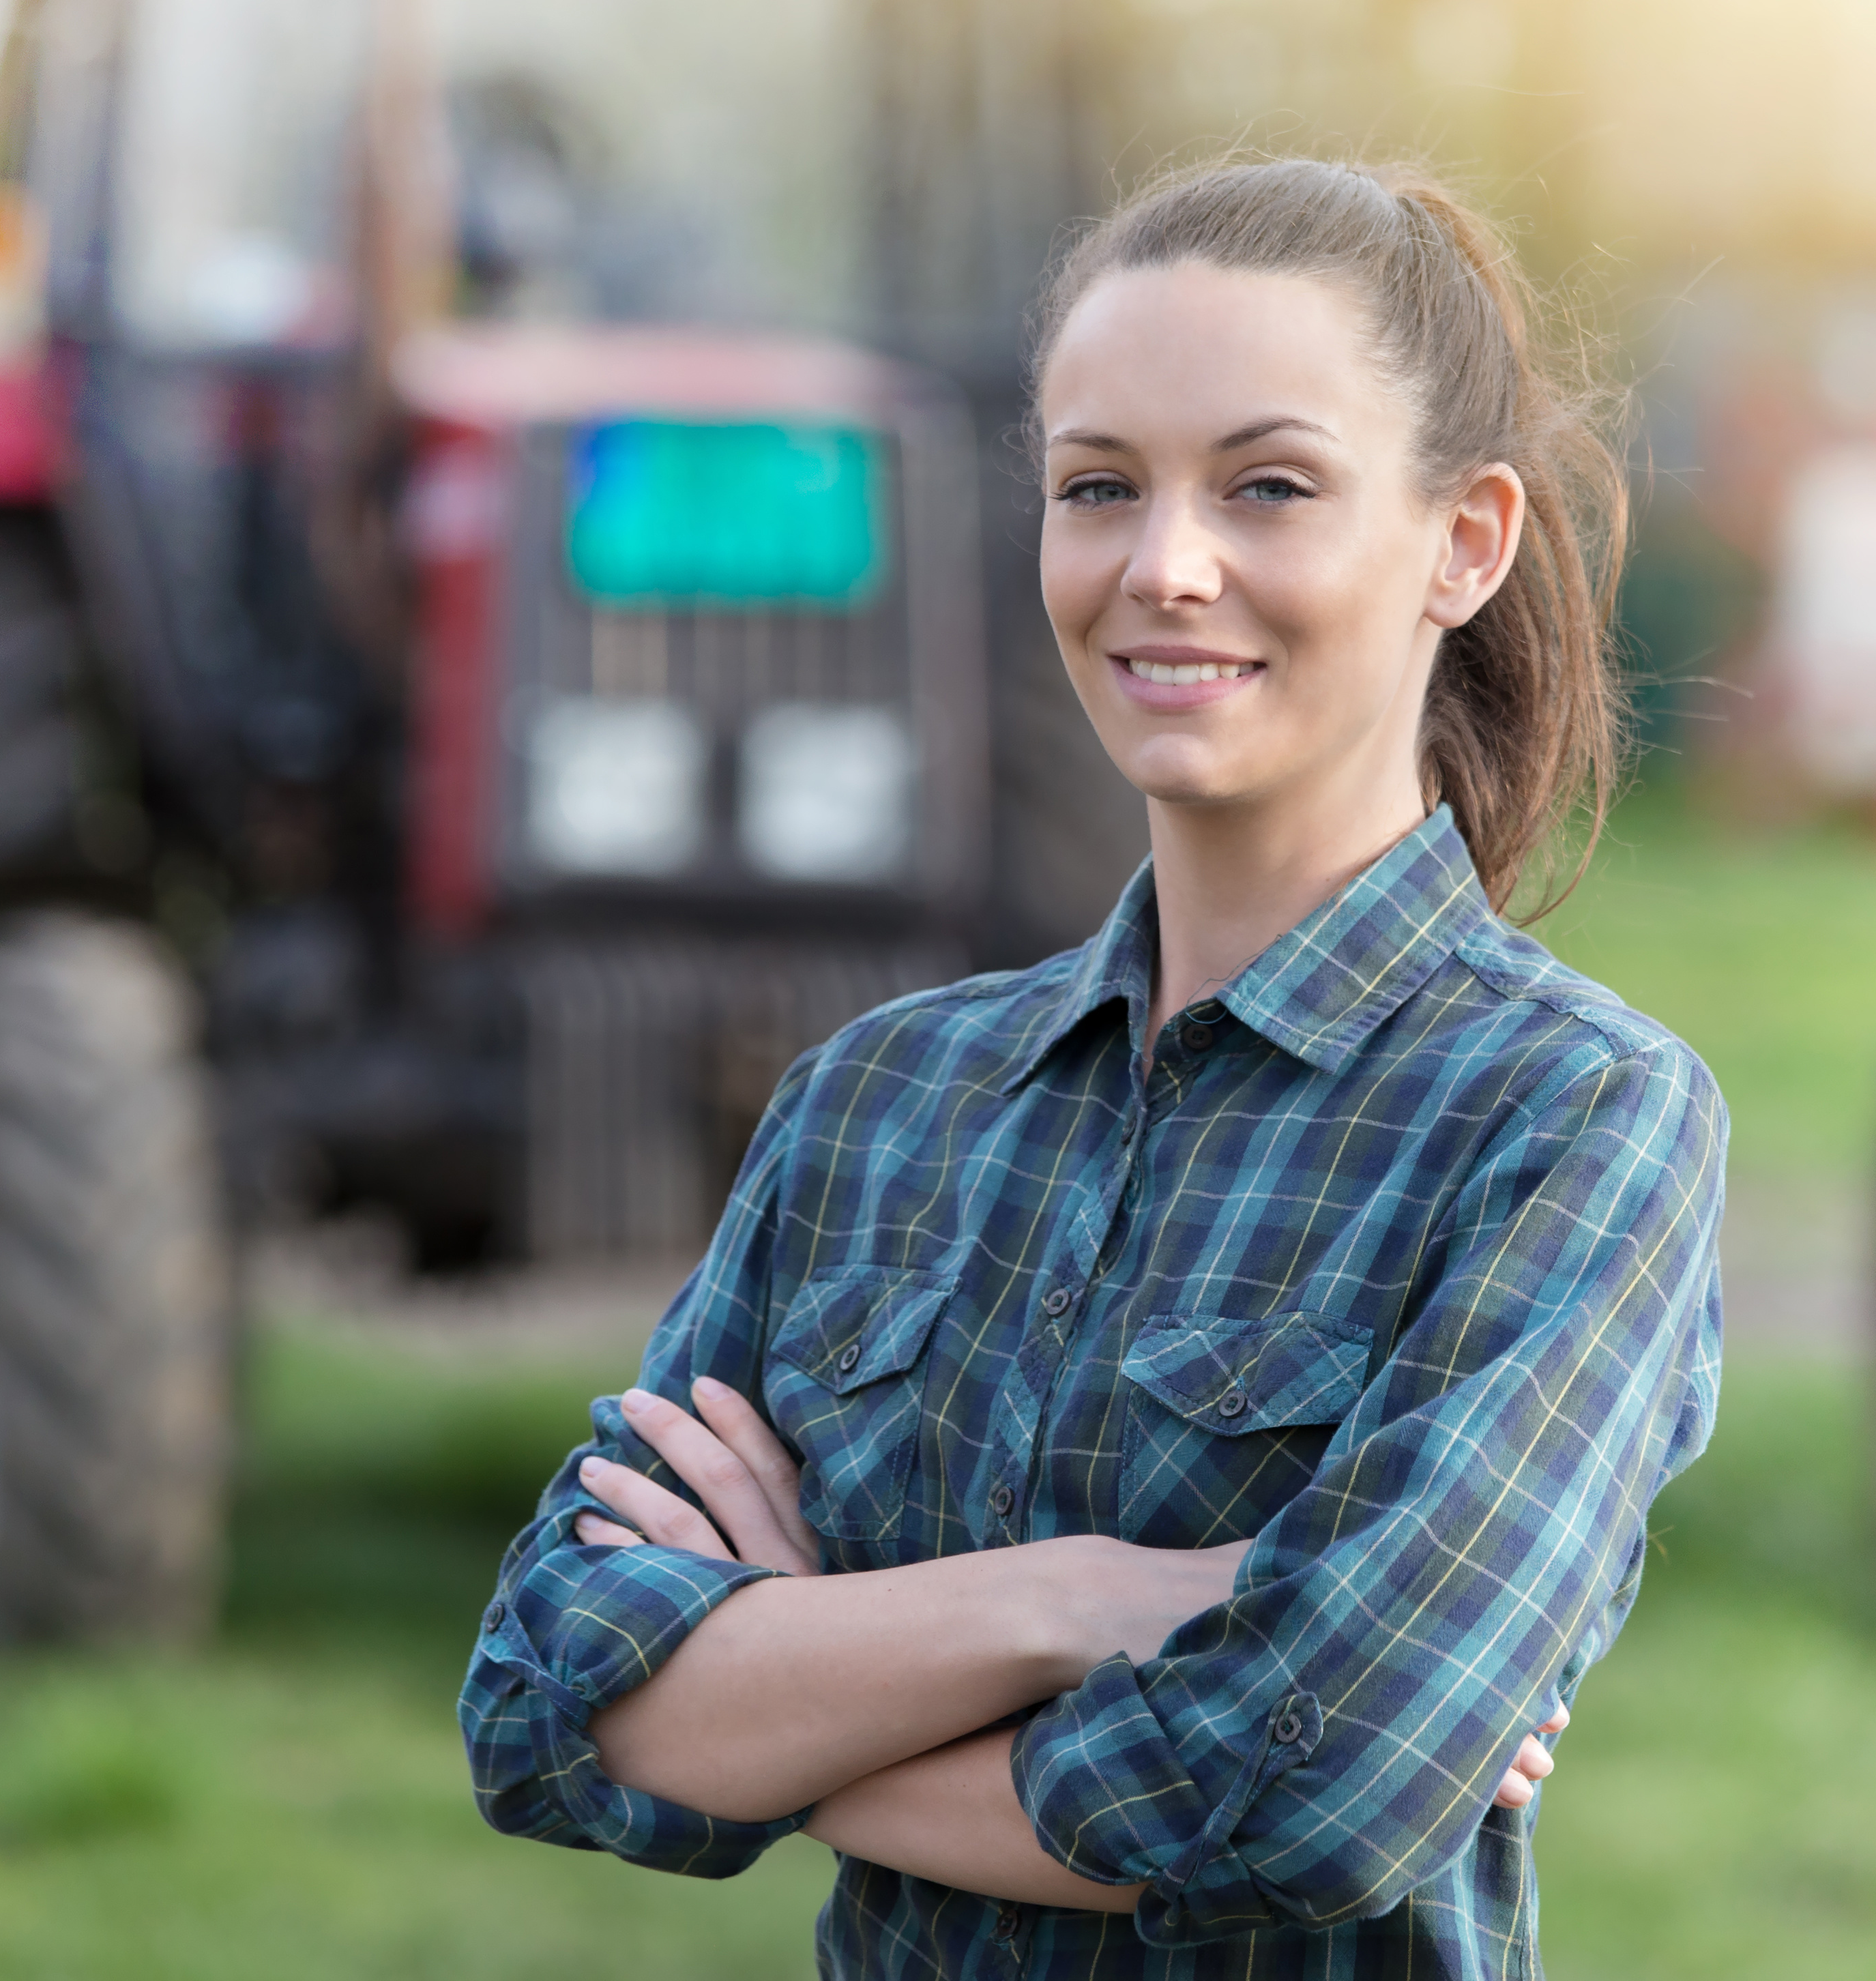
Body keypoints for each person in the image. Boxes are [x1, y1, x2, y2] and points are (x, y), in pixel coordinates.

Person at [460, 157, 1725, 1975]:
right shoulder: (879, 1104)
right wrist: (1071, 1607)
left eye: (1268, 486)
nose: (1164, 568)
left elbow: (1317, 1788)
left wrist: (785, 1694)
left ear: (1465, 542)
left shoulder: (1574, 1121)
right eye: (1098, 488)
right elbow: (539, 1700)